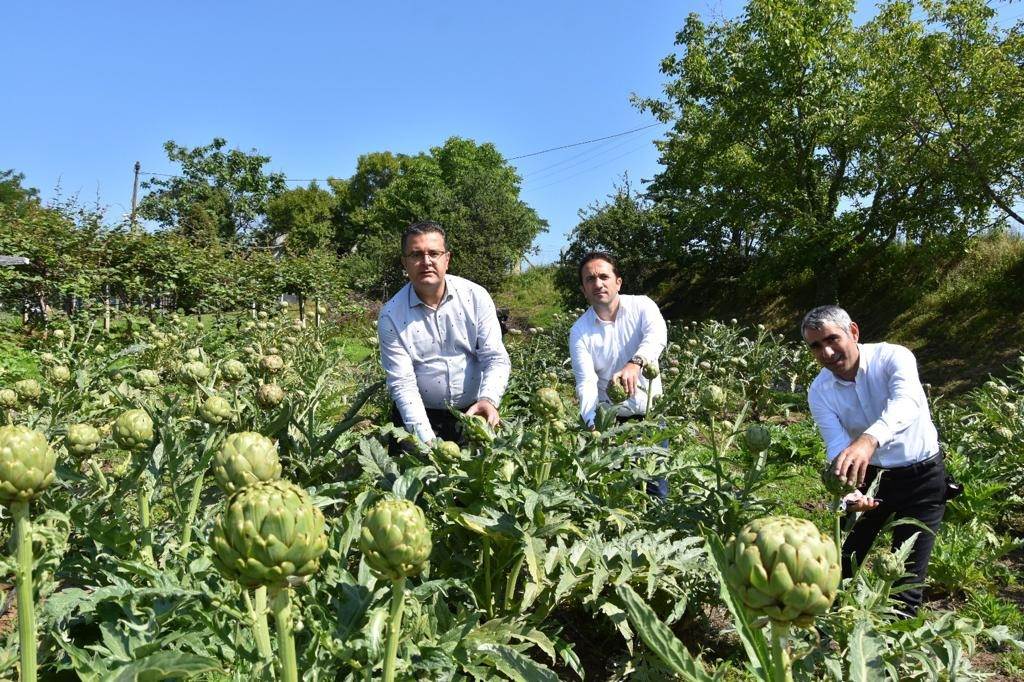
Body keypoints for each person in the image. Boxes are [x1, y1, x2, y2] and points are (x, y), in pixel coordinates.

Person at [802, 305, 949, 615]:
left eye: (833, 339)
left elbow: (907, 403)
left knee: (906, 579)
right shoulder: (820, 391)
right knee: (840, 564)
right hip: (867, 476)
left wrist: (869, 441)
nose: (827, 351)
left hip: (922, 477)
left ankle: (892, 651)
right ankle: (827, 639)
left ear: (853, 332)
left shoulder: (894, 357)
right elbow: (838, 445)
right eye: (816, 345)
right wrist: (850, 491)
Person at [378, 221, 511, 446]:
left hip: (473, 414)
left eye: (434, 253)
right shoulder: (391, 315)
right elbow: (402, 383)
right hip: (416, 416)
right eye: (416, 254)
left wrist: (488, 399)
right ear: (405, 263)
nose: (426, 261)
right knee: (411, 478)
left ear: (446, 259)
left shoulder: (476, 297)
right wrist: (426, 440)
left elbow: (495, 357)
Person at [569, 251, 668, 497]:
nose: (598, 283)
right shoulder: (579, 331)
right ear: (583, 289)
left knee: (655, 488)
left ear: (618, 282)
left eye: (604, 276)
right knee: (618, 490)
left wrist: (636, 363)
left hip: (651, 416)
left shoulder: (643, 305)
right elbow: (586, 381)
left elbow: (657, 337)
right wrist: (592, 423)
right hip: (612, 422)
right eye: (590, 279)